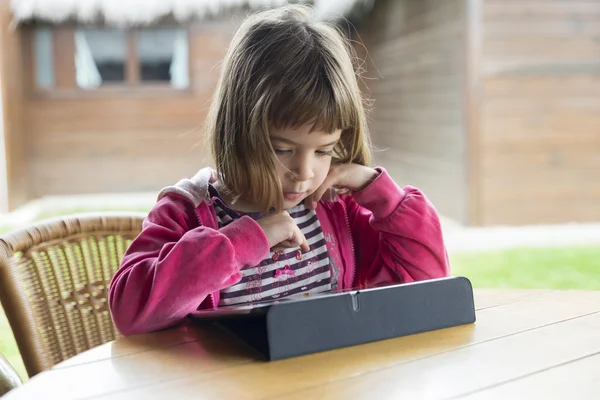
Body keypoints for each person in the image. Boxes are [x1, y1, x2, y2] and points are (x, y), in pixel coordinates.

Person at [108, 4, 450, 335]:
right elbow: (128, 312)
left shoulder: (335, 209)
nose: (303, 172)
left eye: (324, 151)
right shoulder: (185, 213)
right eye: (282, 149)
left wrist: (382, 195)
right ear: (239, 129)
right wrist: (242, 242)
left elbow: (428, 283)